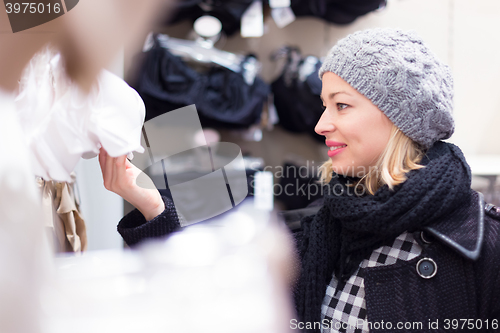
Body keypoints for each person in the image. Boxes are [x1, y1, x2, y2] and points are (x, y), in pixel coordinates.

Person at [100, 28, 500, 332]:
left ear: (399, 118)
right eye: (325, 106)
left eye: (341, 106)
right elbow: (221, 288)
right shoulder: (325, 227)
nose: (322, 124)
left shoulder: (482, 247)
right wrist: (152, 204)